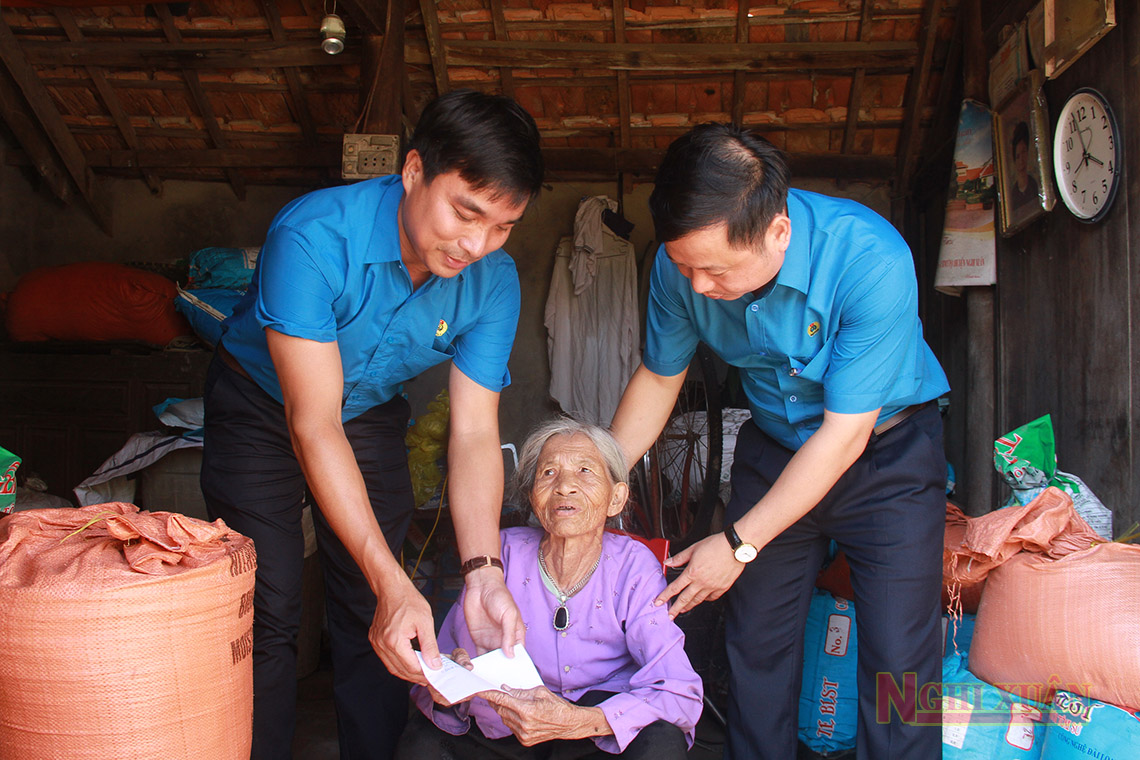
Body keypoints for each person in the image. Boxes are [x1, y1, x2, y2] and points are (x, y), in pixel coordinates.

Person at [199, 89, 544, 759]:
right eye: (465, 213)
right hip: (261, 409)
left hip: (367, 412)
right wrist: (392, 580)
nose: (477, 244)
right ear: (414, 170)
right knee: (266, 610)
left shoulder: (493, 282)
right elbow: (313, 422)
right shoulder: (313, 235)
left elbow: (473, 432)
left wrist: (483, 573)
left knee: (379, 608)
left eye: (503, 226)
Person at [610, 123, 950, 760]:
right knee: (755, 644)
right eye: (686, 267)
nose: (699, 287)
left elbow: (844, 436)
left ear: (777, 232)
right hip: (773, 447)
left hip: (886, 454)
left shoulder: (871, 260)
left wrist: (737, 544)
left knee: (904, 658)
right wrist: (601, 475)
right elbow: (660, 378)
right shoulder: (677, 269)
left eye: (714, 270)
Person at [396, 418, 703, 759]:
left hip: (595, 727)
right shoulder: (497, 556)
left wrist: (582, 721)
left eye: (585, 470)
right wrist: (450, 680)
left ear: (616, 499)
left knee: (661, 742)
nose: (564, 487)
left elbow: (679, 691)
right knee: (423, 742)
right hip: (504, 724)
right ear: (532, 498)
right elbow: (444, 672)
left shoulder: (634, 566)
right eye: (548, 473)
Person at [1009, 120, 1040, 211]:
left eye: (1024, 152)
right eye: (1018, 155)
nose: (1021, 159)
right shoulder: (1013, 193)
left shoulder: (1034, 185)